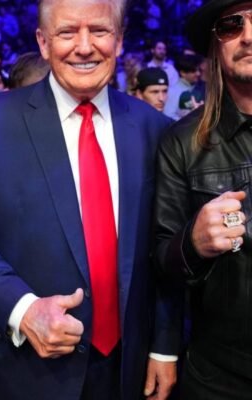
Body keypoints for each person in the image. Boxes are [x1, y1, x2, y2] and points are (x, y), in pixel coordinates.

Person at [0, 0, 177, 399]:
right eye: (67, 32)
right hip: (22, 370)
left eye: (99, 31)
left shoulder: (155, 129)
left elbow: (165, 247)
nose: (84, 47)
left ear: (120, 40)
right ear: (43, 42)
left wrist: (164, 346)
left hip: (127, 368)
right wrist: (23, 310)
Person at [154, 0, 252, 398]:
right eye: (232, 25)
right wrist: (192, 243)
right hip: (220, 374)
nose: (249, 37)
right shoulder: (182, 143)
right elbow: (159, 261)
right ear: (214, 46)